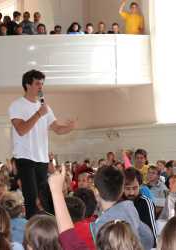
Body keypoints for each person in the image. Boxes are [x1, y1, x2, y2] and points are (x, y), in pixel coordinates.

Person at [8, 69, 75, 219]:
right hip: (25, 158)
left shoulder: (45, 107)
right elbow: (21, 130)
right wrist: (39, 114)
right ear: (27, 84)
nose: (41, 87)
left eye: (42, 84)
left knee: (44, 199)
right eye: (38, 83)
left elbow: (57, 128)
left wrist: (69, 128)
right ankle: (32, 234)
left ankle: (47, 229)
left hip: (42, 160)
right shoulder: (17, 105)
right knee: (31, 200)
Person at [91, 166, 154, 250]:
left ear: (96, 192)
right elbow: (148, 239)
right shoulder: (130, 209)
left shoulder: (101, 225)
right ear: (122, 190)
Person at [123, 168, 157, 243]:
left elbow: (152, 235)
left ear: (140, 186)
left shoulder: (146, 203)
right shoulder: (118, 202)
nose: (131, 192)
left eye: (135, 188)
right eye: (127, 189)